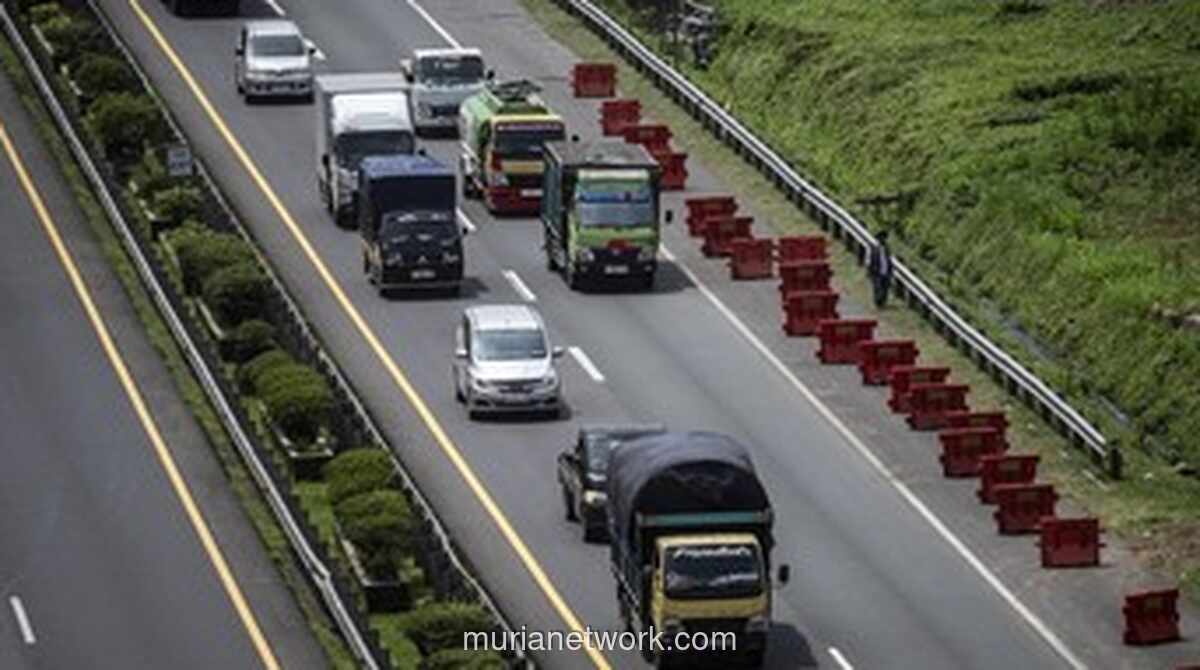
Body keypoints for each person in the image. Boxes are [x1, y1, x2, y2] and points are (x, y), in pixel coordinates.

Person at [867, 230, 894, 309]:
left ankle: (883, 302)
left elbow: (889, 259)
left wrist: (890, 270)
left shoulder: (887, 248)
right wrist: (869, 270)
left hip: (885, 270)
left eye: (884, 238)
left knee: (885, 287)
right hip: (876, 271)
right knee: (878, 287)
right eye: (881, 238)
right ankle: (878, 303)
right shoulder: (873, 248)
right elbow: (869, 260)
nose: (883, 240)